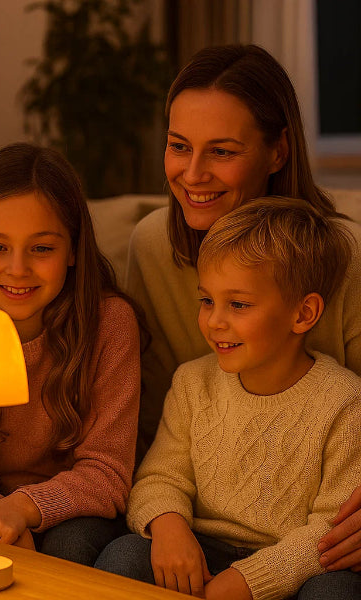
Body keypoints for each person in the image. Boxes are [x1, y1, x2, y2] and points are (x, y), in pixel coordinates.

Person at [127, 43, 361, 571]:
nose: (193, 174)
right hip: (201, 524)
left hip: (319, 526)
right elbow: (152, 429)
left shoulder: (348, 259)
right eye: (179, 146)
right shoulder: (151, 248)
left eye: (223, 151)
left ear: (277, 152)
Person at [96, 197, 361, 599]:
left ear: (304, 314)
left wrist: (248, 582)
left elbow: (332, 530)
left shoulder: (343, 401)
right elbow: (158, 479)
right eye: (207, 301)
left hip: (293, 568)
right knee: (125, 555)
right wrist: (169, 528)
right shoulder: (192, 383)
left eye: (238, 304)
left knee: (338, 590)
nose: (215, 321)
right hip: (199, 550)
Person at [0, 142, 142, 566]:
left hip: (73, 503)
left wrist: (21, 509)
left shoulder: (110, 323)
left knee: (69, 549)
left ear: (73, 250)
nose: (17, 269)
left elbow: (107, 474)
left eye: (41, 249)